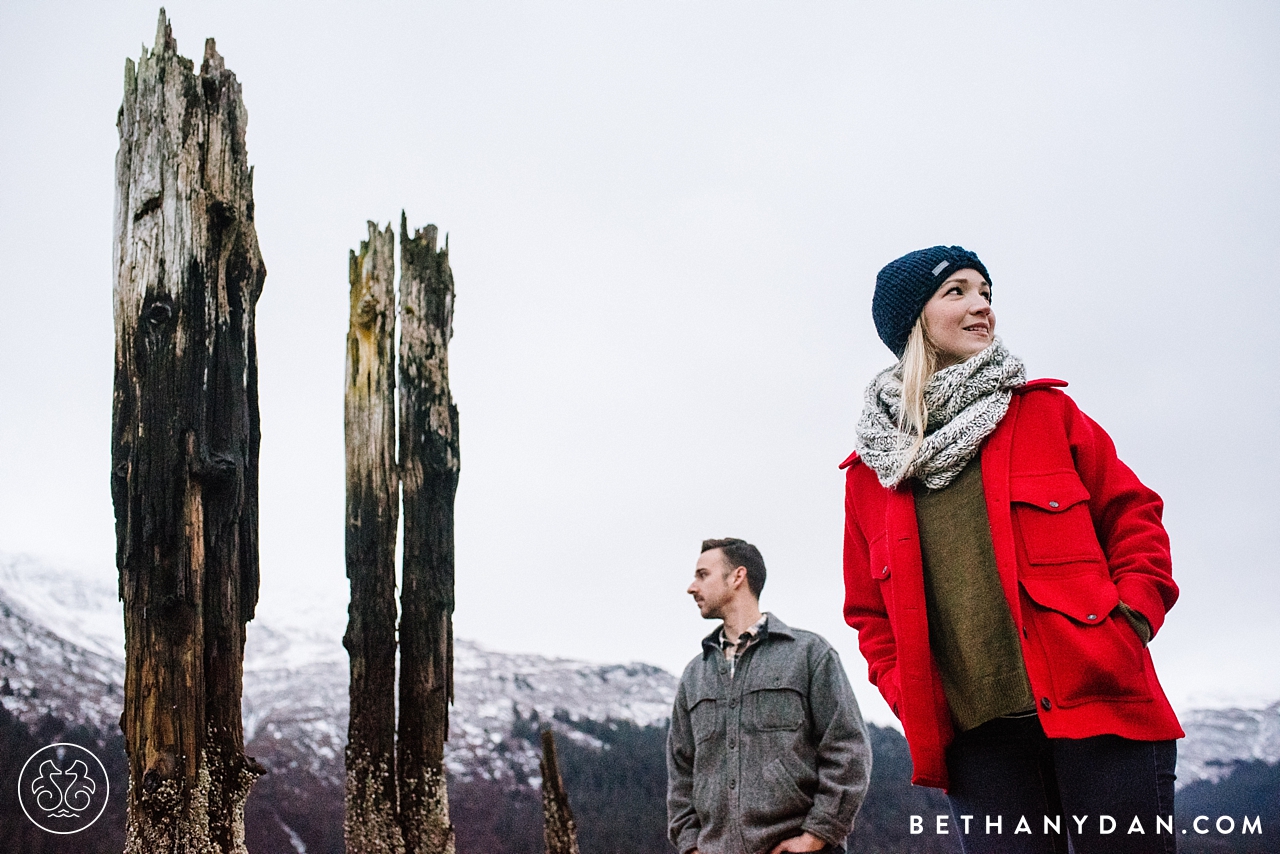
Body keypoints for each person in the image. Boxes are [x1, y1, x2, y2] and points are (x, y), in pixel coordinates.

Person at [840, 246, 1182, 854]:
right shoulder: (871, 475)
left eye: (987, 293)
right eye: (958, 293)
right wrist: (908, 692)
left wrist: (1129, 624)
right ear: (913, 322)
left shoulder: (1047, 414)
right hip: (980, 747)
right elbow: (870, 615)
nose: (982, 307)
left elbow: (1135, 519)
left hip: (1101, 710)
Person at [667, 537, 872, 854]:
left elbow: (848, 749)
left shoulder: (809, 654)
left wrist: (816, 835)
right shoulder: (695, 674)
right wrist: (690, 846)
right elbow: (681, 773)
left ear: (737, 576)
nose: (691, 587)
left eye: (702, 574)